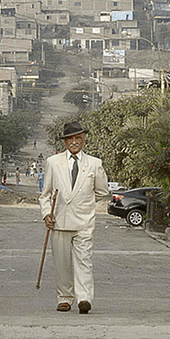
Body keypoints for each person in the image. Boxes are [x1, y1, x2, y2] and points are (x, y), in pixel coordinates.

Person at [38, 121, 109, 315]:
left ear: (83, 140)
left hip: (84, 222)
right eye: (70, 138)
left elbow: (103, 192)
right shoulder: (53, 162)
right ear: (65, 142)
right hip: (59, 222)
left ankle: (84, 298)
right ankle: (64, 298)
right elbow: (45, 195)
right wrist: (47, 214)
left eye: (78, 138)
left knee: (84, 260)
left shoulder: (95, 164)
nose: (75, 142)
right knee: (62, 263)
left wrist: (86, 204)